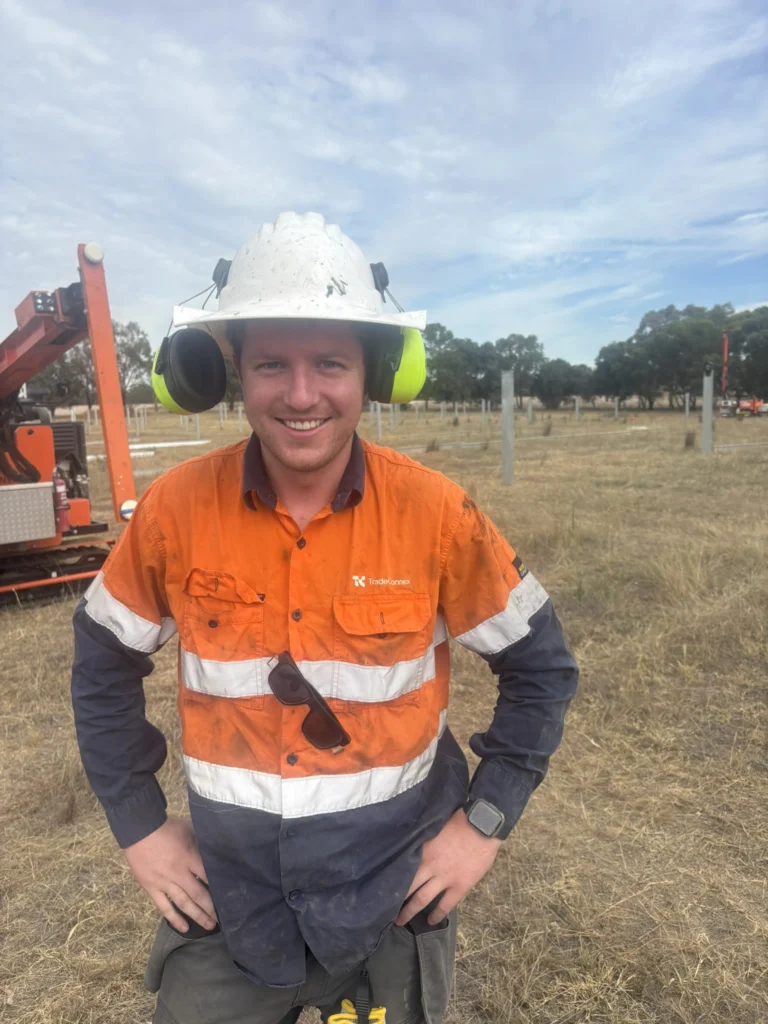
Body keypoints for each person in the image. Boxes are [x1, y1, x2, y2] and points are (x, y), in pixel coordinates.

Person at [71, 212, 578, 1024]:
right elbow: (101, 659)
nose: (301, 395)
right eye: (272, 362)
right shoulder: (173, 511)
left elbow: (541, 667)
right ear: (229, 368)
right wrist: (138, 827)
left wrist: (483, 823)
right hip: (230, 907)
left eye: (330, 363)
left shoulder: (437, 513)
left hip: (390, 898)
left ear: (374, 374)